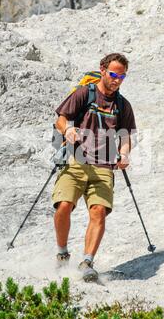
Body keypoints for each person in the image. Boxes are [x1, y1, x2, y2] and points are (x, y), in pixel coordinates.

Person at [52, 53, 136, 282]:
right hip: (76, 161)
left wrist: (125, 153)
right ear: (102, 70)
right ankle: (62, 253)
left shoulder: (122, 105)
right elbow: (61, 118)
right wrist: (67, 130)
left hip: (104, 167)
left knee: (99, 212)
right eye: (114, 74)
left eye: (122, 76)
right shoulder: (84, 93)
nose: (117, 80)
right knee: (63, 205)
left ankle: (87, 262)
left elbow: (126, 135)